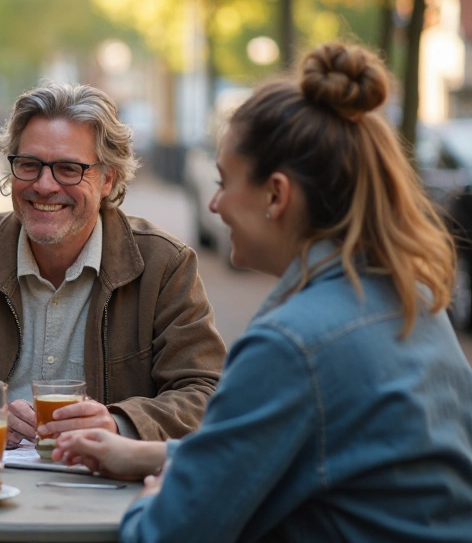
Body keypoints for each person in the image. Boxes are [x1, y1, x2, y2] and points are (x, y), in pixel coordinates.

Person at [52, 43, 472, 542]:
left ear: (276, 194)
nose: (214, 204)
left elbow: (166, 535)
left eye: (224, 181)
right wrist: (152, 453)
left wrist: (154, 495)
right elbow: (309, 450)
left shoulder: (292, 344)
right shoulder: (413, 300)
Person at [0, 82, 226, 444]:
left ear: (108, 179)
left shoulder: (165, 266)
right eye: (29, 165)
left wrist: (116, 423)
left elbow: (207, 394)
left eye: (68, 169)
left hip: (107, 488)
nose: (43, 185)